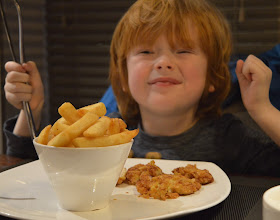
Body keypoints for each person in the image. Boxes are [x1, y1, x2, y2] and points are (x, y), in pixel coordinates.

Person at [3, 0, 280, 177]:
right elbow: (30, 170)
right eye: (146, 51)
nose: (163, 62)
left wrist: (262, 109)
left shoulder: (232, 138)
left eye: (183, 50)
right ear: (123, 77)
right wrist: (32, 111)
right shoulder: (102, 133)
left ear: (212, 76)